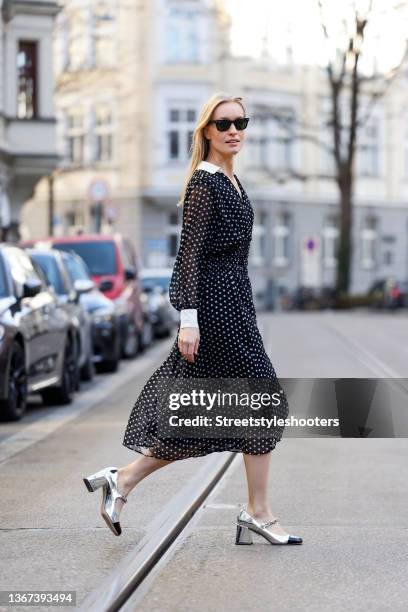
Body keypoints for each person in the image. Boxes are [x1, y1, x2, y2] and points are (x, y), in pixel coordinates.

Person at [83, 93, 303, 546]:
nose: (234, 130)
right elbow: (189, 257)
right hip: (214, 312)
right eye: (223, 124)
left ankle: (124, 480)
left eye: (241, 122)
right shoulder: (205, 184)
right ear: (206, 131)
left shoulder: (232, 181)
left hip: (236, 308)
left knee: (211, 414)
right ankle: (256, 511)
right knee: (255, 405)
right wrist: (188, 319)